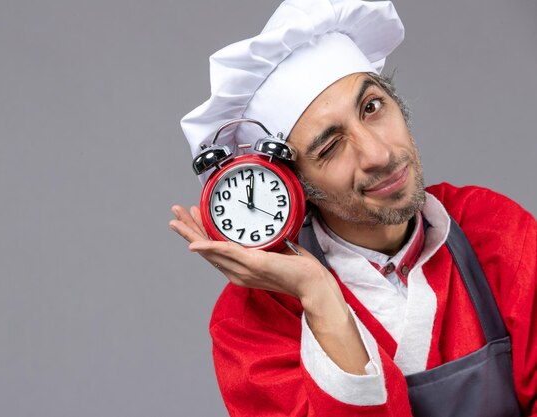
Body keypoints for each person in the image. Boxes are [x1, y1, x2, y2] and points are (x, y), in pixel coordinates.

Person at [169, 0, 537, 416]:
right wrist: (319, 295)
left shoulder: (492, 227)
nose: (378, 154)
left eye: (372, 108)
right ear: (294, 184)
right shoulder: (251, 324)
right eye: (330, 147)